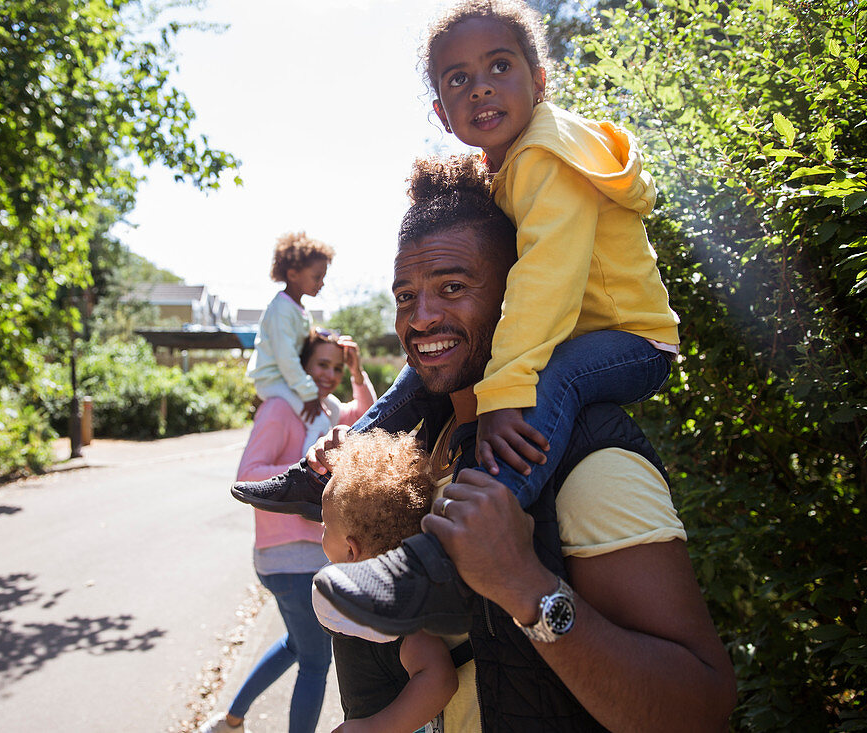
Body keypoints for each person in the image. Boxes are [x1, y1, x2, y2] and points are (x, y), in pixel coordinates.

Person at [307, 156, 735, 730]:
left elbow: (700, 709)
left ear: (521, 298)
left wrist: (525, 586)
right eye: (406, 296)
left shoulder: (590, 465)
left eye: (453, 287)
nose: (421, 317)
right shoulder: (429, 442)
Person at [233, 0, 678, 525]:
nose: (481, 87)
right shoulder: (509, 165)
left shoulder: (546, 156)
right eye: (458, 78)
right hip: (579, 333)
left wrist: (503, 394)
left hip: (631, 342)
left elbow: (545, 282)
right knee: (420, 374)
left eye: (499, 66)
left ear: (539, 81)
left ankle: (480, 524)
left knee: (551, 380)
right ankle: (332, 469)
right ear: (442, 113)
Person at [197, 330, 376, 733]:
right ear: (301, 365)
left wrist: (357, 370)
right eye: (321, 365)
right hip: (286, 558)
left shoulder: (329, 408)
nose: (328, 374)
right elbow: (247, 476)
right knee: (316, 663)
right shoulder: (281, 408)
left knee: (297, 645)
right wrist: (306, 471)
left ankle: (229, 722)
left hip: (309, 555)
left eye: (335, 366)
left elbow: (372, 415)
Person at [320, 430, 478, 733]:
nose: (320, 529)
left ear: (352, 550)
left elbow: (440, 679)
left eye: (326, 524)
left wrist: (374, 728)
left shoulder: (394, 606)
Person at [245, 231, 337, 455]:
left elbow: (306, 346)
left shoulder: (299, 309)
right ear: (293, 274)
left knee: (334, 409)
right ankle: (304, 475)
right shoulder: (281, 309)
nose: (322, 283)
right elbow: (286, 358)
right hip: (273, 380)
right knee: (320, 423)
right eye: (317, 277)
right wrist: (309, 393)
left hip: (287, 380)